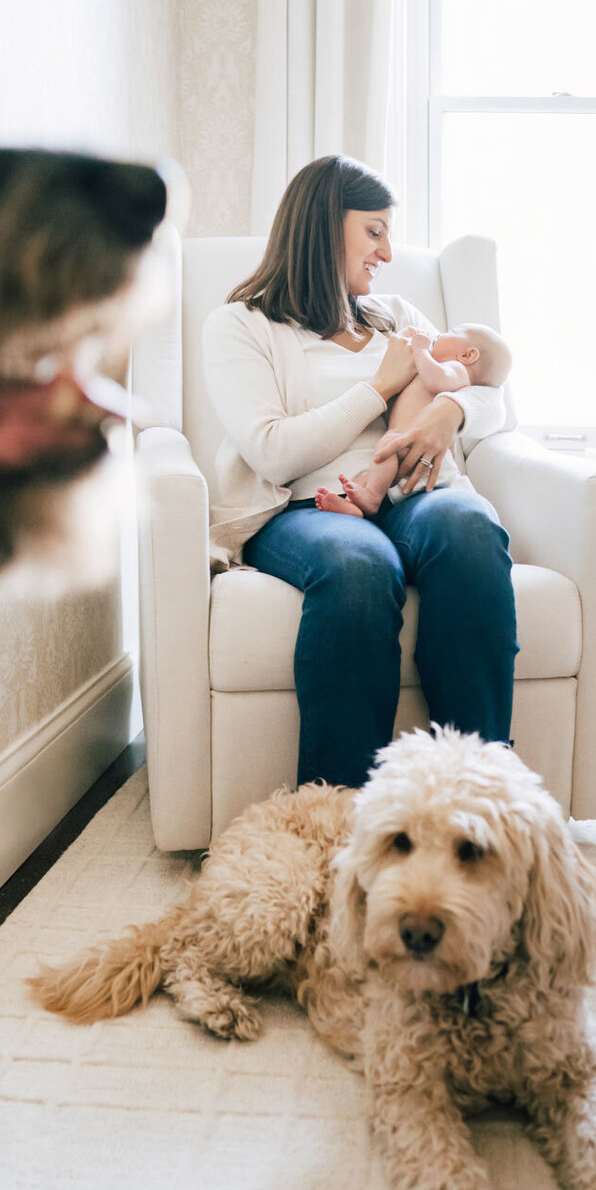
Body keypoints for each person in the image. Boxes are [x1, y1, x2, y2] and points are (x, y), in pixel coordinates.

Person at [203, 153, 517, 791]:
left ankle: (475, 797)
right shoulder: (241, 325)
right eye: (373, 231)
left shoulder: (397, 316)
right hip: (304, 507)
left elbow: (491, 390)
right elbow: (271, 450)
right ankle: (337, 812)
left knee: (469, 529)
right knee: (357, 567)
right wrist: (379, 389)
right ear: (323, 226)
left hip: (416, 490)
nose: (387, 251)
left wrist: (448, 413)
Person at [316, 321, 512, 518]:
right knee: (366, 476)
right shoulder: (433, 366)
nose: (439, 334)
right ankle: (354, 504)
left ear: (467, 355)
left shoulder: (457, 369)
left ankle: (372, 498)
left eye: (451, 332)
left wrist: (421, 349)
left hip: (414, 443)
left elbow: (437, 381)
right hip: (402, 439)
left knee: (383, 456)